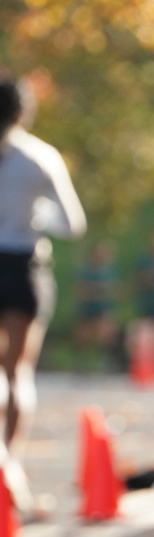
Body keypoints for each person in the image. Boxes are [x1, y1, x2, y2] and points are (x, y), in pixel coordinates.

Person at [0, 70, 86, 511]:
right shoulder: (39, 156)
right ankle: (11, 464)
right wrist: (37, 215)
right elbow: (72, 222)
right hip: (23, 266)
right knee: (18, 373)